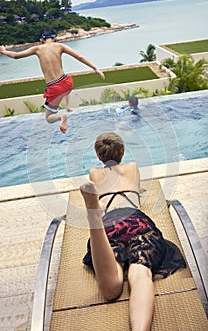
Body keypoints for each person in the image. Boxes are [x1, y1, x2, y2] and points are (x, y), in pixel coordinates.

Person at [80, 132, 186, 331]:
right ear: (122, 152)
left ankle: (95, 218)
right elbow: (136, 189)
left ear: (99, 156)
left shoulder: (95, 172)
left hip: (110, 223)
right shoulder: (133, 168)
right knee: (140, 274)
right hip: (136, 221)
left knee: (111, 290)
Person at [0, 28, 105, 133]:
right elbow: (79, 56)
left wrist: (4, 51)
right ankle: (67, 106)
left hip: (54, 87)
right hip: (67, 82)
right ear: (55, 38)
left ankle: (61, 117)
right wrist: (95, 68)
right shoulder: (60, 46)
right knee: (65, 86)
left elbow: (15, 56)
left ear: (42, 40)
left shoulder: (37, 49)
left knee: (49, 117)